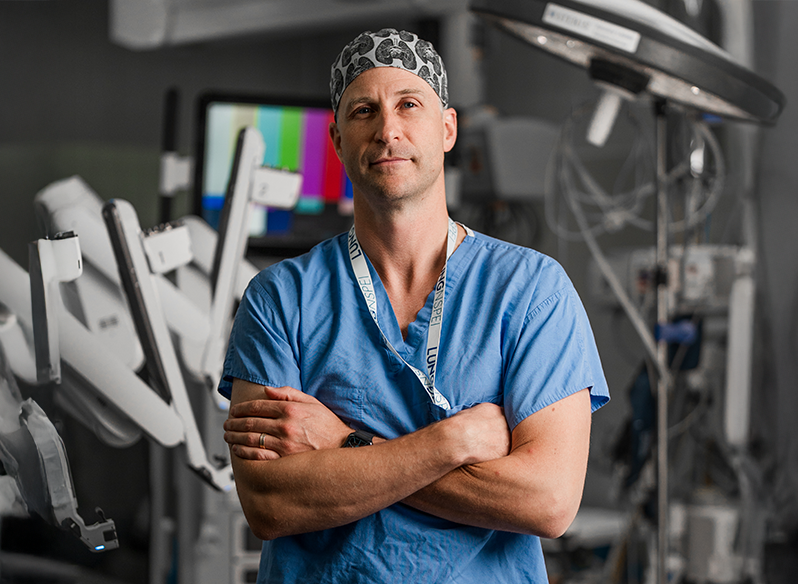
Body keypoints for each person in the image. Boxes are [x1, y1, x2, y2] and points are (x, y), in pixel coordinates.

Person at [218, 28, 609, 583]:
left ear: (446, 128)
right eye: (362, 112)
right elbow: (271, 505)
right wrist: (450, 443)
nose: (387, 130)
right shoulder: (280, 298)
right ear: (336, 140)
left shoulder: (532, 292)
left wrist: (341, 443)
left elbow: (547, 502)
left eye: (409, 104)